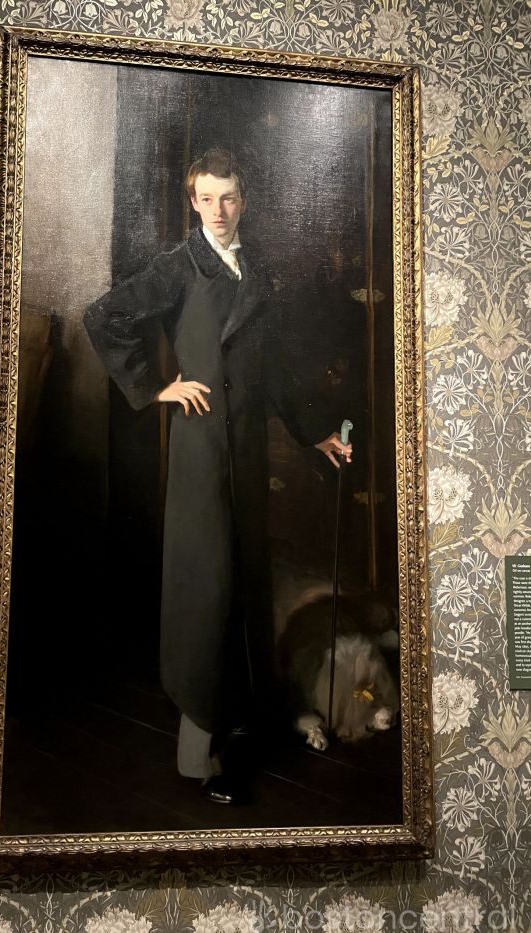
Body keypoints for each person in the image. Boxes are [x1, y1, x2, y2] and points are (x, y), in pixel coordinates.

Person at [84, 148, 351, 803]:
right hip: (201, 449)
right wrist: (157, 387)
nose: (218, 210)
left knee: (243, 581)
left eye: (228, 197)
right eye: (206, 198)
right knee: (205, 587)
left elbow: (276, 369)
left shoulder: (259, 271)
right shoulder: (180, 265)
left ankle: (247, 721)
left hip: (246, 452)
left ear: (244, 200)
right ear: (193, 202)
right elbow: (104, 316)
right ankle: (197, 748)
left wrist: (314, 431)